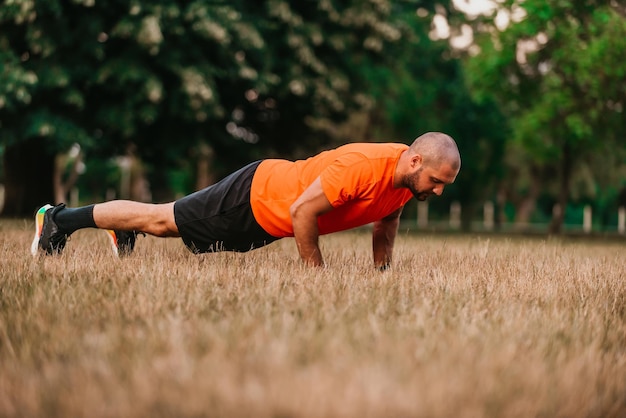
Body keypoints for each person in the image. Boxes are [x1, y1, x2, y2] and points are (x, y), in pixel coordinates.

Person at [31, 132, 461, 268]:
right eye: (437, 181)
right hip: (257, 196)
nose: (438, 191)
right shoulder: (365, 166)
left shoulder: (403, 184)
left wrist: (382, 272)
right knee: (162, 221)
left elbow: (385, 223)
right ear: (415, 160)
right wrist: (317, 277)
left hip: (264, 218)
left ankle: (122, 228)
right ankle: (59, 219)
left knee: (164, 224)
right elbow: (302, 211)